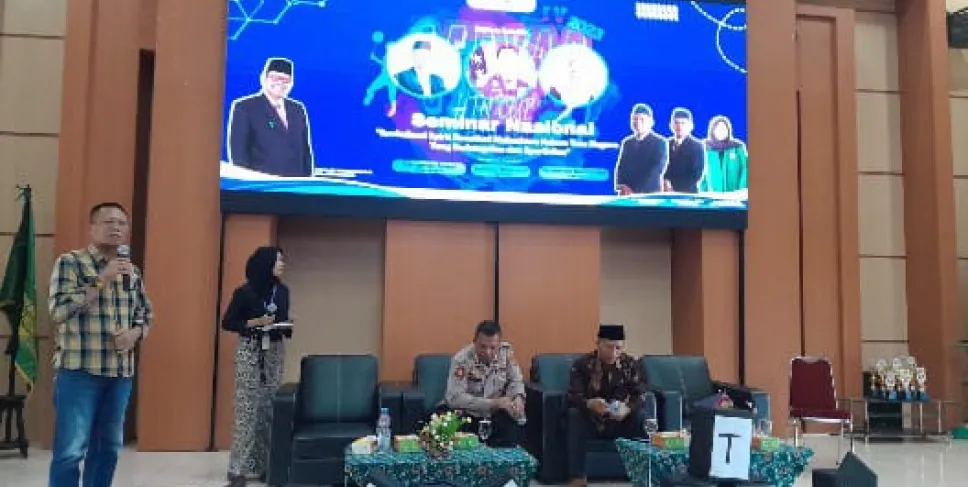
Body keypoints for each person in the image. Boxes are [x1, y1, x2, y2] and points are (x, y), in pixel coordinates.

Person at [47, 202, 154, 487]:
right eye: (108, 222)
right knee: (70, 451)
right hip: (79, 373)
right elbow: (59, 311)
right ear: (92, 228)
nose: (116, 228)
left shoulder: (132, 271)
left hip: (119, 375)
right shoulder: (70, 263)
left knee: (107, 449)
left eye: (121, 223)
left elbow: (146, 314)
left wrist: (134, 334)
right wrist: (102, 279)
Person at [222, 246, 292, 487]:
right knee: (246, 409)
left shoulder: (282, 291)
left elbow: (282, 316)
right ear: (266, 263)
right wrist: (256, 322)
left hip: (274, 351)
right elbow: (228, 322)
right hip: (250, 350)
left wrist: (286, 325)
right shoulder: (244, 292)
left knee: (268, 408)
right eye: (278, 260)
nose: (282, 264)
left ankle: (263, 466)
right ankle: (237, 469)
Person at [566, 324, 648, 487]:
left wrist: (627, 409)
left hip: (619, 421)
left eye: (618, 348)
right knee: (574, 415)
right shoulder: (582, 364)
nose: (613, 353)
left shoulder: (631, 365)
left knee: (640, 417)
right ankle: (577, 477)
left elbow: (641, 394)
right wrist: (589, 403)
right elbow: (573, 395)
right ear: (598, 343)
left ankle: (641, 474)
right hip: (591, 420)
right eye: (609, 347)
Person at [227, 57, 315, 177]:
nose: (280, 83)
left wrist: (306, 181)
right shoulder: (245, 107)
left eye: (286, 80)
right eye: (275, 78)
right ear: (263, 78)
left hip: (295, 184)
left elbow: (305, 151)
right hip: (262, 184)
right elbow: (238, 153)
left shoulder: (298, 109)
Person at [443, 320, 526, 447]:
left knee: (512, 428)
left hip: (494, 415)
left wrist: (518, 397)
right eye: (483, 347)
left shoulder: (505, 352)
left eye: (493, 348)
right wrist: (493, 403)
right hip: (469, 414)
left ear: (499, 345)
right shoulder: (462, 360)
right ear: (474, 342)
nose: (487, 352)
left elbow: (515, 380)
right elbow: (455, 398)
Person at [613, 104, 669, 195]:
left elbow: (657, 168)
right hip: (627, 193)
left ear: (651, 122)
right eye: (635, 119)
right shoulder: (627, 142)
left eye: (642, 119)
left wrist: (637, 190)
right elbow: (621, 166)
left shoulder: (660, 142)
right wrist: (621, 185)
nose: (638, 122)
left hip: (649, 192)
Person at [700, 115, 749, 192]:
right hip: (713, 195)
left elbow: (745, 169)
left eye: (723, 128)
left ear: (728, 130)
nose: (721, 131)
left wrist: (742, 190)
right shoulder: (705, 148)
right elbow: (701, 173)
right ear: (712, 131)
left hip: (736, 194)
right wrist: (703, 193)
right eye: (717, 128)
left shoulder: (738, 147)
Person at [664, 108, 706, 193]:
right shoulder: (666, 144)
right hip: (665, 192)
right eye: (676, 123)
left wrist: (673, 188)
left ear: (691, 126)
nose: (679, 126)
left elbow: (696, 175)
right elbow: (661, 168)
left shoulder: (697, 146)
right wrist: (665, 183)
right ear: (671, 125)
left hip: (688, 194)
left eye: (683, 123)